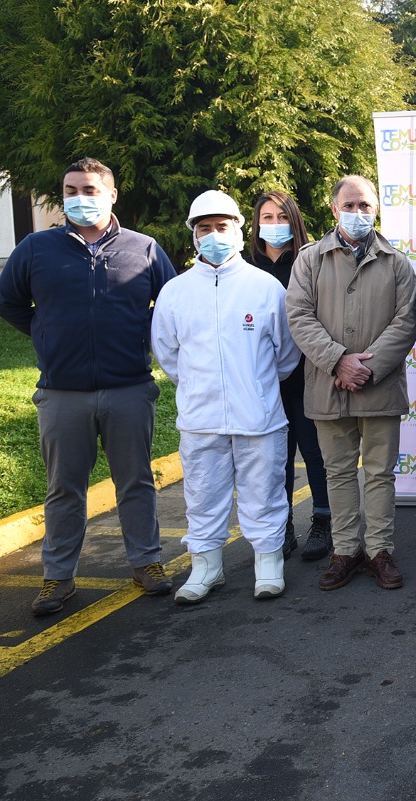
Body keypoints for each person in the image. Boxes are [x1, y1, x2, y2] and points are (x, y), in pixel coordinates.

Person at [0, 157, 176, 616]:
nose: (80, 198)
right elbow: (9, 303)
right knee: (63, 488)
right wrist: (46, 334)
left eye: (90, 190)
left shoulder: (145, 249)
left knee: (135, 481)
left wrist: (144, 336)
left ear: (112, 195)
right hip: (62, 394)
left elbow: (173, 305)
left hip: (129, 389)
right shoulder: (36, 249)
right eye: (71, 190)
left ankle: (147, 563)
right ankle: (58, 577)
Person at [152, 190, 301, 603]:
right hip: (200, 419)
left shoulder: (265, 287)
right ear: (194, 237)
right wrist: (203, 387)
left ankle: (268, 565)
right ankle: (206, 568)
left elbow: (286, 354)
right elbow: (167, 353)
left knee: (266, 492)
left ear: (238, 231)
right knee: (202, 495)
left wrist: (253, 386)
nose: (214, 235)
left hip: (259, 416)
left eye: (222, 227)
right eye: (205, 229)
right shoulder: (176, 292)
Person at [285, 176, 416, 591]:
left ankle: (379, 551)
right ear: (333, 208)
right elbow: (299, 316)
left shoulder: (396, 262)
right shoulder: (309, 260)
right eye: (350, 205)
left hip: (379, 388)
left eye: (365, 205)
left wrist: (367, 367)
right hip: (328, 386)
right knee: (338, 473)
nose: (358, 213)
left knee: (380, 474)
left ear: (375, 209)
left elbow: (406, 321)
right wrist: (338, 361)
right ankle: (345, 551)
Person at [248, 191, 332, 563]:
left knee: (314, 452)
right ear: (255, 224)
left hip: (306, 374)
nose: (274, 223)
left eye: (282, 216)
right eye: (266, 217)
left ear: (294, 220)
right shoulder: (244, 266)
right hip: (262, 380)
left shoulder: (310, 259)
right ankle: (281, 527)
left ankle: (323, 521)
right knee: (274, 458)